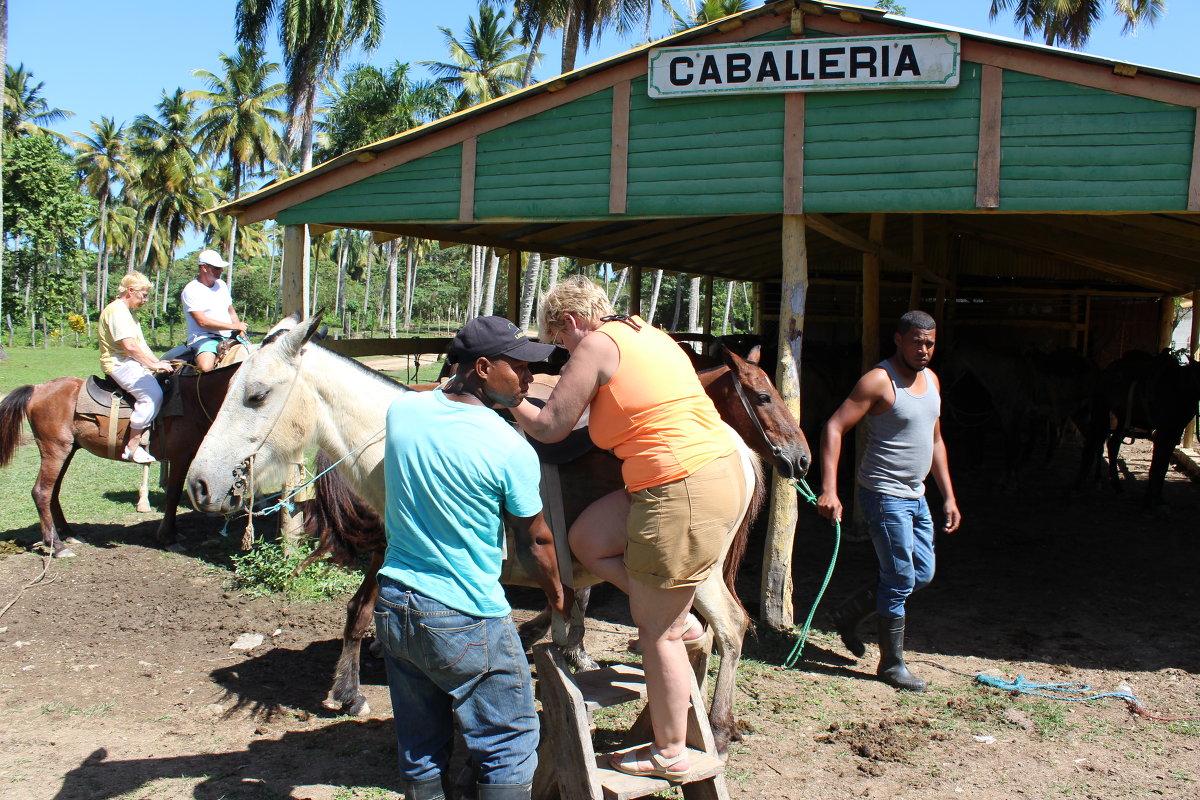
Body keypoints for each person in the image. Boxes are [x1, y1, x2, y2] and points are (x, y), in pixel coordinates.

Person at [511, 276, 747, 781]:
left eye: (559, 341)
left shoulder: (595, 344)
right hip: (711, 468)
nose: (562, 352)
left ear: (571, 321)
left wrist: (509, 399)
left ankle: (669, 752)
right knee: (588, 540)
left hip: (679, 482)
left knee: (655, 631)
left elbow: (552, 425)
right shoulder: (649, 334)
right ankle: (678, 617)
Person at [375, 315, 573, 800]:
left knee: (420, 747)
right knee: (507, 743)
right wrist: (557, 596)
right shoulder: (509, 447)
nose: (531, 378)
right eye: (520, 367)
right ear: (483, 368)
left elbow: (432, 392)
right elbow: (538, 541)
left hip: (395, 604)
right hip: (466, 614)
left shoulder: (402, 413)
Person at [816, 310, 962, 692]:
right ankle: (891, 664)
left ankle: (848, 615)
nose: (924, 349)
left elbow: (935, 440)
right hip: (882, 495)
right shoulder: (879, 381)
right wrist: (830, 489)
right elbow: (834, 426)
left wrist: (948, 495)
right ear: (898, 339)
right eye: (916, 341)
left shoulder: (932, 381)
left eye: (930, 342)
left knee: (922, 573)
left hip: (917, 495)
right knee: (900, 577)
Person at [97, 271, 173, 464]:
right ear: (130, 291)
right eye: (144, 295)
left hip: (129, 362)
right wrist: (153, 365)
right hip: (118, 363)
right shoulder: (117, 311)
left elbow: (142, 346)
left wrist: (158, 363)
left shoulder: (130, 314)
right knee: (152, 395)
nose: (146, 300)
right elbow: (129, 347)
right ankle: (133, 446)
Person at [181, 249, 248, 371]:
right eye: (216, 268)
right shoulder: (191, 290)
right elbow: (202, 322)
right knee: (206, 367)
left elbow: (231, 311)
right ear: (204, 268)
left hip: (229, 335)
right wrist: (234, 327)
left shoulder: (221, 284)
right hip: (204, 337)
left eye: (221, 268)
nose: (221, 271)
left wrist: (240, 331)